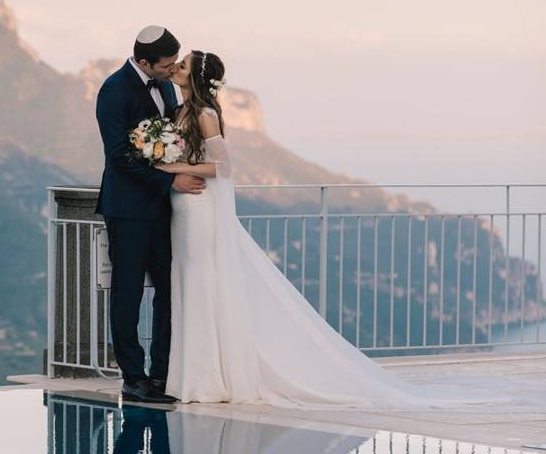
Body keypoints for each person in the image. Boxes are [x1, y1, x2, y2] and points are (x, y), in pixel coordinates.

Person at [156, 50, 539, 410]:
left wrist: (170, 169)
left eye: (184, 65)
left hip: (200, 207)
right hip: (184, 209)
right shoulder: (182, 109)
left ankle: (207, 379)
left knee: (203, 284)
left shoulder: (205, 113)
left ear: (198, 78)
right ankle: (193, 375)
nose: (177, 69)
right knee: (191, 284)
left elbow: (224, 168)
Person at [94, 26, 206, 404]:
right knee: (127, 294)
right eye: (166, 65)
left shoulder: (167, 86)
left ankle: (162, 373)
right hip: (127, 210)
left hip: (162, 212)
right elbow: (120, 156)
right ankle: (133, 378)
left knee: (168, 290)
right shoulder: (114, 90)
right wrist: (169, 184)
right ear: (144, 62)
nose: (172, 70)